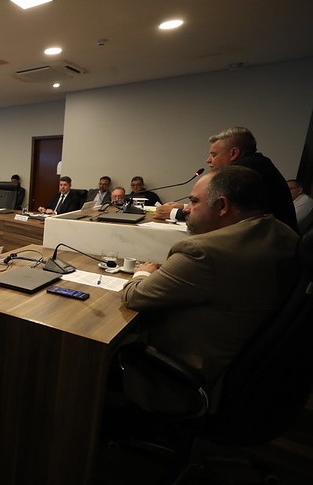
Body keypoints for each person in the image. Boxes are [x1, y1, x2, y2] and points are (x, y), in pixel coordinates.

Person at [119, 166, 298, 413]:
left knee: (104, 344)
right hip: (244, 369)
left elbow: (134, 295)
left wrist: (142, 272)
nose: (187, 209)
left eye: (193, 201)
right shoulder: (282, 233)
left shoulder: (204, 252)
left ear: (222, 206)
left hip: (185, 375)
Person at [155, 127, 297, 231]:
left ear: (234, 153)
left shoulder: (243, 172)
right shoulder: (257, 163)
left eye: (214, 155)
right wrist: (186, 207)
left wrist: (175, 213)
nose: (208, 160)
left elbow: (222, 214)